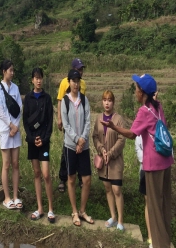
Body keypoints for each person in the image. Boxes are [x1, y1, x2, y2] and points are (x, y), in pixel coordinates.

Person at [101, 74, 174, 248]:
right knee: (164, 203)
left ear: (142, 92)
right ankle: (165, 239)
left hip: (154, 164)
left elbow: (132, 134)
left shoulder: (143, 111)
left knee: (154, 206)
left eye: (136, 88)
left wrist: (113, 126)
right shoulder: (158, 106)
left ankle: (159, 244)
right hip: (166, 160)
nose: (135, 91)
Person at [61, 69, 93, 227]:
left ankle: (82, 210)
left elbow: (88, 121)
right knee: (72, 178)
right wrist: (76, 140)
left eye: (78, 80)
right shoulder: (65, 101)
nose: (76, 83)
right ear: (69, 82)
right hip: (70, 146)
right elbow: (65, 124)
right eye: (73, 81)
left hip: (84, 146)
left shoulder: (85, 100)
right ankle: (74, 211)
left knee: (87, 179)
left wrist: (82, 140)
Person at [23, 67, 55, 223]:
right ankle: (40, 208)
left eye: (40, 77)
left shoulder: (47, 99)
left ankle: (50, 209)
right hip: (32, 142)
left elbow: (50, 122)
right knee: (36, 173)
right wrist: (31, 138)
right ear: (32, 80)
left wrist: (44, 139)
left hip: (44, 142)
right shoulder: (28, 98)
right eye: (36, 78)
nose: (38, 80)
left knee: (46, 174)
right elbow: (25, 121)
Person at [92, 90, 126, 231]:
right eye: (105, 100)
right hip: (103, 162)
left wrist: (110, 153)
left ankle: (120, 221)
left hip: (115, 161)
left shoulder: (118, 119)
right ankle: (113, 216)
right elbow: (95, 136)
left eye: (110, 100)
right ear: (102, 101)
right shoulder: (98, 118)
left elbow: (122, 139)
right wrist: (101, 149)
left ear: (113, 102)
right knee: (107, 188)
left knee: (116, 189)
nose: (107, 103)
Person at [0, 60, 23, 210]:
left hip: (15, 130)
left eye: (13, 70)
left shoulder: (16, 88)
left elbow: (19, 108)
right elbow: (0, 110)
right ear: (4, 71)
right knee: (6, 164)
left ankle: (15, 196)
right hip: (5, 131)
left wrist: (16, 126)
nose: (12, 73)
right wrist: (11, 126)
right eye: (10, 70)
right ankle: (7, 198)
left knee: (16, 163)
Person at [57, 58, 86, 192]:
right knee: (67, 149)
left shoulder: (83, 84)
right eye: (78, 69)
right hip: (69, 122)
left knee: (81, 149)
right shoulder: (64, 82)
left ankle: (81, 177)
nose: (81, 72)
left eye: (82, 70)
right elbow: (60, 101)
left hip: (80, 122)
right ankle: (63, 177)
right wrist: (59, 118)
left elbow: (83, 103)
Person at [135, 135, 152, 247]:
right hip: (146, 170)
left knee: (159, 204)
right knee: (149, 203)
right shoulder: (139, 136)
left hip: (160, 171)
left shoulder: (160, 129)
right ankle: (151, 237)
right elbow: (139, 154)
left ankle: (159, 235)